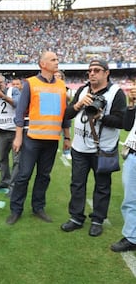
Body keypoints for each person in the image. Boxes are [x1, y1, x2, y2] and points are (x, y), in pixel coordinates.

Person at [60, 58, 126, 237]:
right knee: (77, 184)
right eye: (90, 70)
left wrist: (101, 116)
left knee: (102, 186)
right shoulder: (82, 90)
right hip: (79, 148)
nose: (92, 73)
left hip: (102, 149)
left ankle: (97, 219)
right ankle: (76, 217)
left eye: (97, 70)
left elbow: (122, 122)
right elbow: (67, 114)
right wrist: (78, 105)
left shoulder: (116, 93)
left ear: (106, 73)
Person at [7, 51, 71, 225]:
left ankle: (38, 207)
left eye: (57, 59)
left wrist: (67, 137)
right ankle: (16, 210)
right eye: (53, 59)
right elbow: (20, 112)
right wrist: (18, 137)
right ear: (43, 64)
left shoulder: (61, 86)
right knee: (23, 175)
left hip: (51, 141)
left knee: (44, 176)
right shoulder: (31, 83)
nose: (57, 62)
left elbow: (64, 114)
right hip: (31, 138)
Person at [111, 83, 136, 252]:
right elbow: (127, 126)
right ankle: (132, 237)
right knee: (130, 200)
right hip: (133, 154)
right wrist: (132, 104)